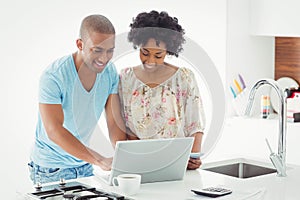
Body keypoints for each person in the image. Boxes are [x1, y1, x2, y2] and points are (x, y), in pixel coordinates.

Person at [28, 14, 127, 184]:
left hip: (84, 165)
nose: (104, 58)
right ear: (80, 44)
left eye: (110, 50)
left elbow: (114, 122)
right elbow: (54, 131)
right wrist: (99, 160)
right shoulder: (54, 76)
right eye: (97, 50)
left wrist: (125, 158)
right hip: (50, 169)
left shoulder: (110, 72)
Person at [118, 10, 206, 170]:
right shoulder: (126, 78)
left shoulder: (183, 78)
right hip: (141, 165)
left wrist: (193, 156)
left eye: (158, 55)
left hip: (179, 163)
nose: (150, 61)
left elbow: (195, 124)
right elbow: (128, 127)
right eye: (145, 53)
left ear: (169, 50)